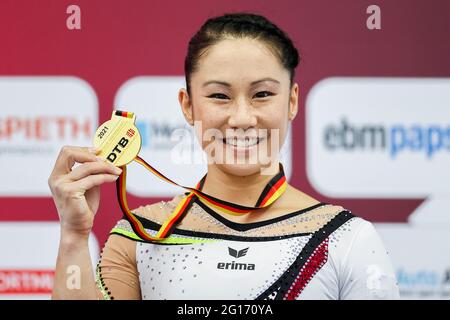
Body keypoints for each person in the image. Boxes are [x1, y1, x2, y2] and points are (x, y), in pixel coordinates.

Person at [48, 12, 399, 300]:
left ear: (291, 101)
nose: (242, 118)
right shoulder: (141, 234)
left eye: (262, 94)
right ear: (188, 105)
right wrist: (74, 236)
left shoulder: (346, 238)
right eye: (219, 96)